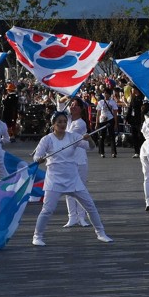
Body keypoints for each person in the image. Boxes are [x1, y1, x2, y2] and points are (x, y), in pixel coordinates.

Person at [31, 111, 113, 247]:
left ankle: (101, 233)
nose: (63, 124)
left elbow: (91, 148)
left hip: (73, 178)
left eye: (64, 121)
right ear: (53, 124)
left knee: (90, 206)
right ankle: (37, 236)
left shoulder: (73, 137)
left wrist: (90, 139)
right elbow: (36, 156)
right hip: (54, 179)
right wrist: (38, 159)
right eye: (59, 122)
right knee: (47, 210)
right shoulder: (47, 139)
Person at [63, 98, 92, 228]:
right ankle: (72, 217)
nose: (72, 107)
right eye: (71, 105)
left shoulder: (80, 123)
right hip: (68, 159)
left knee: (80, 188)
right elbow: (60, 108)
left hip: (79, 160)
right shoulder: (67, 120)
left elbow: (68, 136)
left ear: (81, 109)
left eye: (75, 105)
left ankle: (82, 216)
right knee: (69, 189)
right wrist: (67, 98)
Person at [94, 88, 119, 158]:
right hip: (102, 120)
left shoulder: (112, 102)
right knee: (102, 136)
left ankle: (113, 152)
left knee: (112, 136)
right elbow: (98, 114)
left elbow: (115, 113)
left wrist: (116, 124)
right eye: (105, 93)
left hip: (110, 119)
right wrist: (97, 123)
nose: (106, 94)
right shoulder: (100, 102)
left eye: (107, 93)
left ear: (110, 94)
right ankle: (102, 152)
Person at [123, 86, 145, 159]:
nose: (132, 90)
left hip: (140, 119)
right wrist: (127, 118)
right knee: (134, 136)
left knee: (141, 136)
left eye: (133, 89)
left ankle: (142, 151)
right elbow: (130, 108)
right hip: (133, 119)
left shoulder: (142, 98)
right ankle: (136, 152)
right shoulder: (133, 98)